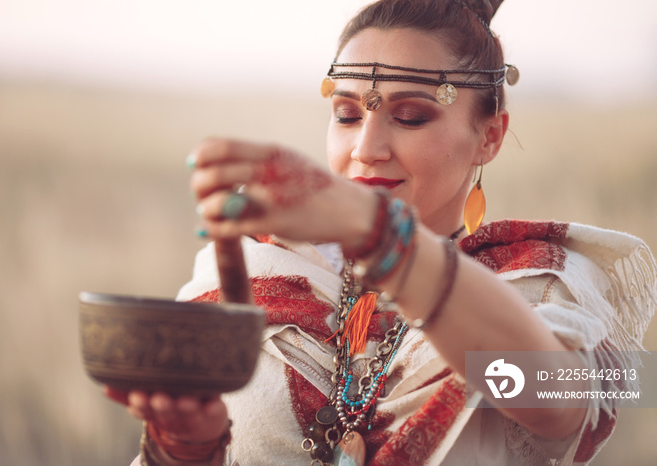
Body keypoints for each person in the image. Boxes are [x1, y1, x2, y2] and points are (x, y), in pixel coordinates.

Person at [104, 0, 656, 464]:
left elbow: (553, 402)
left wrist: (380, 237)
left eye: (411, 116)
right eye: (346, 114)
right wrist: (186, 447)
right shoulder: (258, 271)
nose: (365, 149)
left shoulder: (541, 280)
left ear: (490, 136)